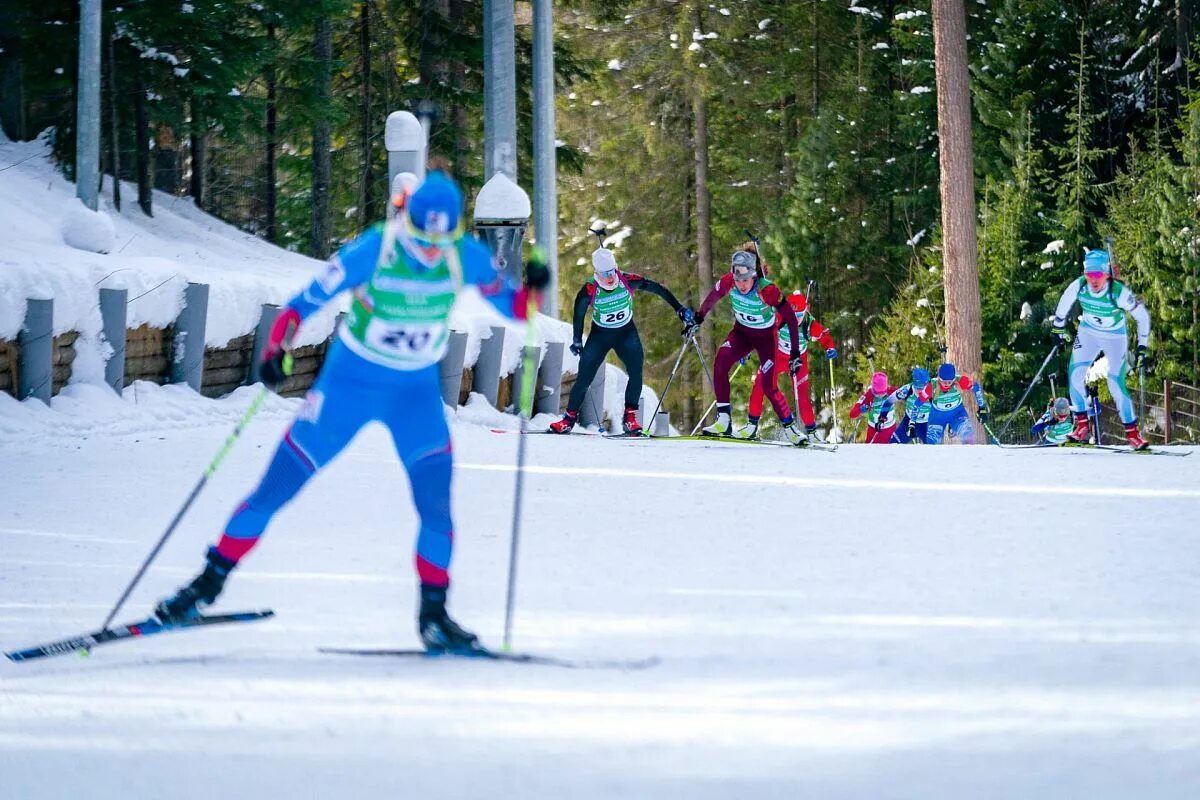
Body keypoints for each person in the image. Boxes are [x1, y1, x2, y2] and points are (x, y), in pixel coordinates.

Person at [153, 170, 549, 655]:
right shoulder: (376, 249)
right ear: (410, 222)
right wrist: (277, 349)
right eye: (422, 238)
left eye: (438, 241)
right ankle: (204, 587)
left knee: (436, 507)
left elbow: (515, 309)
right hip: (347, 390)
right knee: (274, 490)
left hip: (414, 398)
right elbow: (299, 307)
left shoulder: (463, 254)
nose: (429, 251)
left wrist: (532, 290)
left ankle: (434, 616)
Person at [549, 246, 692, 435]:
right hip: (600, 335)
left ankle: (630, 418)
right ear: (596, 273)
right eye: (604, 274)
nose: (609, 277)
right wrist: (577, 340)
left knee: (635, 372)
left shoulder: (627, 280)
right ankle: (568, 419)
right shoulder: (590, 289)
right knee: (584, 377)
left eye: (612, 272)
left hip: (626, 333)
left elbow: (658, 289)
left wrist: (679, 308)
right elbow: (579, 313)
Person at [693, 246, 808, 445]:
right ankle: (724, 420)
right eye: (738, 280)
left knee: (768, 385)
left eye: (745, 280)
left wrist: (795, 352)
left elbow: (789, 317)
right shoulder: (729, 281)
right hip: (742, 334)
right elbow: (712, 297)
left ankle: (790, 429)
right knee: (720, 363)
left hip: (766, 340)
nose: (741, 285)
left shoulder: (767, 290)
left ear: (754, 276)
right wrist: (698, 317)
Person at [1050, 248, 1151, 449]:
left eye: (1098, 275)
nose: (1093, 280)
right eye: (1089, 275)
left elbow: (1142, 317)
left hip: (1115, 337)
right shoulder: (1079, 286)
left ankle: (1132, 435)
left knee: (1115, 382)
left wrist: (1142, 347)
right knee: (1075, 375)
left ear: (1106, 274)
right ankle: (1081, 427)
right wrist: (1057, 329)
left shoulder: (1118, 292)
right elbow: (1064, 303)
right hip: (1088, 333)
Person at [737, 290, 837, 440]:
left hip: (798, 361)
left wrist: (830, 348)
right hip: (776, 357)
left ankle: (812, 433)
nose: (794, 319)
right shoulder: (779, 317)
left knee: (802, 395)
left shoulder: (810, 324)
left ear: (806, 310)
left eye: (799, 315)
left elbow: (825, 338)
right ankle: (752, 425)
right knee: (759, 385)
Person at [926, 363, 987, 444]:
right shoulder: (932, 384)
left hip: (957, 413)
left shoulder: (961, 381)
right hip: (937, 415)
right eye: (943, 381)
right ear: (938, 378)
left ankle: (954, 425)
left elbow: (976, 388)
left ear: (954, 379)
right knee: (931, 442)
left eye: (950, 382)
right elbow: (919, 402)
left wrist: (982, 408)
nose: (947, 384)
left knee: (968, 437)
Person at [881, 366, 932, 444]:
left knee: (933, 450)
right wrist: (882, 417)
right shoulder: (906, 390)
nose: (920, 392)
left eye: (923, 388)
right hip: (908, 422)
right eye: (917, 388)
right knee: (893, 445)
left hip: (927, 424)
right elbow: (888, 402)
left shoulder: (934, 391)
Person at [849, 371, 899, 443]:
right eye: (877, 394)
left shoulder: (891, 391)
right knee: (870, 452)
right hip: (874, 431)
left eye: (883, 393)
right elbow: (852, 414)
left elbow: (908, 392)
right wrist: (861, 409)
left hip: (890, 429)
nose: (880, 396)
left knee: (892, 453)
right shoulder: (868, 395)